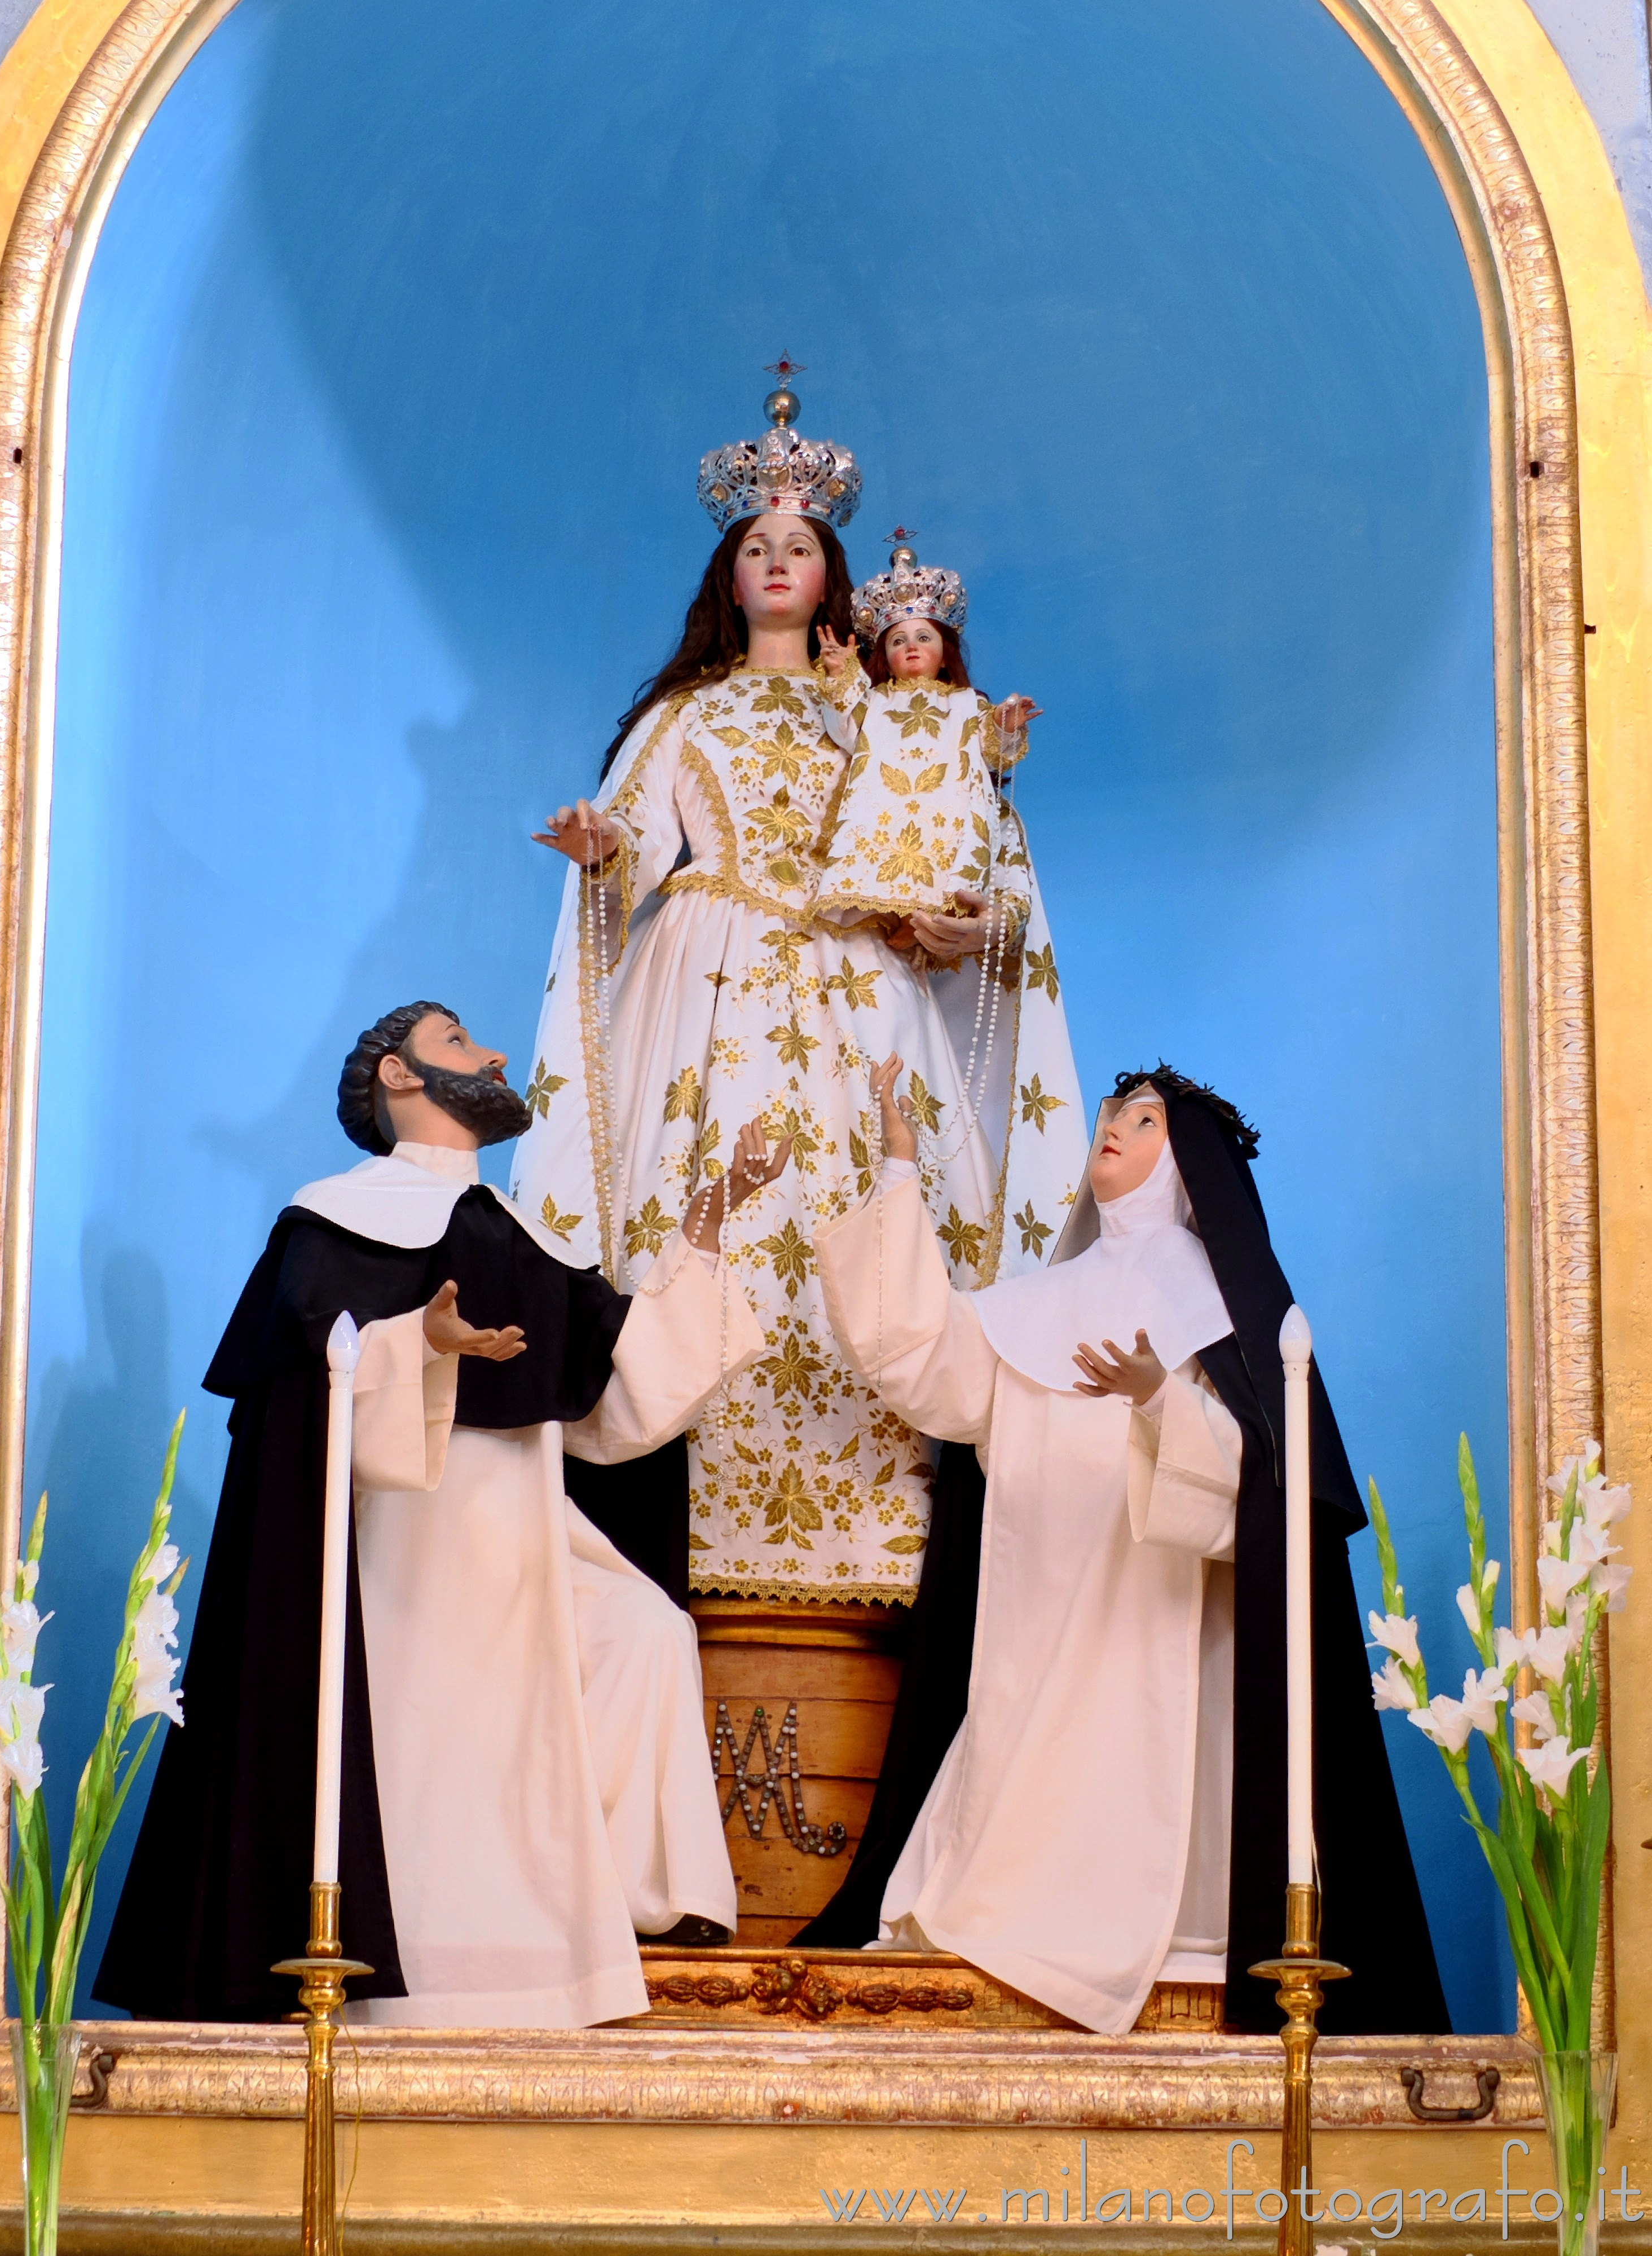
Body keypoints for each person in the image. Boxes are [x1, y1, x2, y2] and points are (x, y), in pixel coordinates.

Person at [513, 369, 1087, 1607]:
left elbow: (939, 848)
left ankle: (883, 1551)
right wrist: (600, 849)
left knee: (873, 1210)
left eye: (798, 545)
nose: (776, 560)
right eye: (754, 545)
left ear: (832, 573)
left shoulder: (883, 717)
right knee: (699, 1201)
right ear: (730, 575)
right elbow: (634, 841)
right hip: (709, 986)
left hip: (857, 991)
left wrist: (948, 925)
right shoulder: (684, 715)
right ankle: (682, 1524)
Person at [97, 1002, 783, 2029]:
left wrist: (711, 1222)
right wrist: (420, 1339)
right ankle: (440, 1965)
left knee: (645, 1631)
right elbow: (303, 1396)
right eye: (460, 1042)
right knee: (448, 1728)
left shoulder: (514, 1233)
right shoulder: (335, 1217)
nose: (493, 1053)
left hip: (527, 1519)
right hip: (405, 1537)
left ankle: (648, 1902)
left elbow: (621, 1391)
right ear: (399, 1077)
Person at [800, 1057, 1448, 2039]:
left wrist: (1160, 1401)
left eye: (1143, 1121)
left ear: (1185, 1164)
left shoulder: (1221, 1312)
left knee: (1148, 1802)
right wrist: (898, 1171)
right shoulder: (1041, 1301)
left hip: (1162, 1634)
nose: (1114, 1126)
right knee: (999, 1832)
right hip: (1037, 1617)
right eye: (1111, 1114)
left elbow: (1260, 1494)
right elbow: (924, 1361)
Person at [814, 529, 1039, 959]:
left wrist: (1006, 726)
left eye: (924, 638)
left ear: (945, 650)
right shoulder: (876, 700)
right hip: (886, 793)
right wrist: (841, 678)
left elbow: (994, 752)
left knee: (946, 854)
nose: (912, 647)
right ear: (883, 654)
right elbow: (846, 731)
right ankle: (893, 916)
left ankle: (929, 918)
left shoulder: (966, 704)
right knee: (881, 844)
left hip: (947, 796)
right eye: (898, 641)